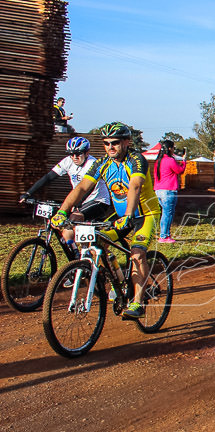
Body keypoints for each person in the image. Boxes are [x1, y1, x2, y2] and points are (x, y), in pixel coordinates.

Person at [50, 122, 160, 319]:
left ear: (126, 142)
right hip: (119, 215)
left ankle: (138, 302)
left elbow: (134, 186)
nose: (110, 147)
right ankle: (118, 280)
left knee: (136, 254)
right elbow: (82, 188)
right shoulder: (102, 164)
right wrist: (62, 212)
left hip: (145, 215)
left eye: (115, 143)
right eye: (106, 143)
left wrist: (128, 216)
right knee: (95, 241)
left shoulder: (137, 160)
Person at [21, 137, 114, 248]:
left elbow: (89, 188)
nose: (74, 157)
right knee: (66, 231)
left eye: (78, 154)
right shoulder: (67, 161)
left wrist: (75, 204)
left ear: (87, 153)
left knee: (74, 219)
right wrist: (29, 193)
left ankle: (89, 255)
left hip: (98, 200)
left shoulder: (92, 164)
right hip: (80, 201)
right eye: (71, 154)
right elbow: (49, 177)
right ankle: (76, 254)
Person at [153, 139, 187, 243]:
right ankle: (164, 236)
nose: (174, 150)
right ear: (169, 148)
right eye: (173, 148)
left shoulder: (158, 161)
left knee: (164, 213)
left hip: (158, 189)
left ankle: (164, 234)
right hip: (168, 190)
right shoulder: (170, 160)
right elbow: (179, 170)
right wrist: (184, 161)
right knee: (168, 213)